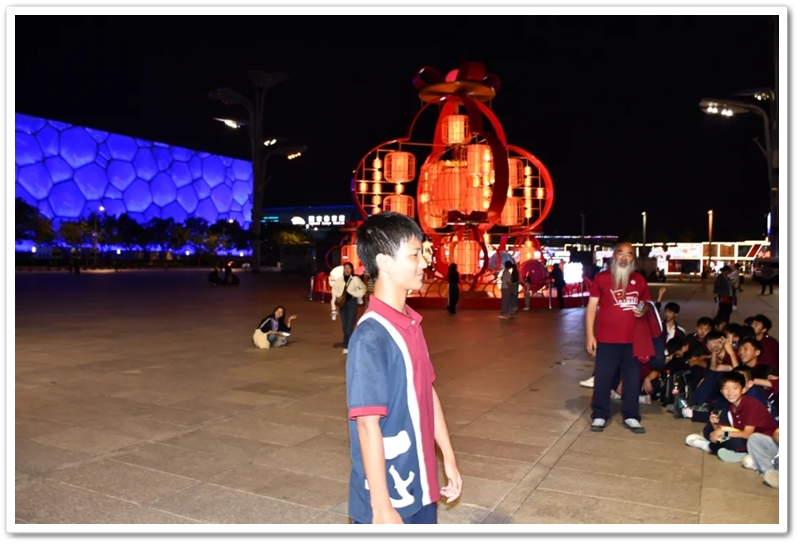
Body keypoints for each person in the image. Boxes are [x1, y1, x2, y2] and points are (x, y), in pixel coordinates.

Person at [346, 211, 461, 525]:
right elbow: (367, 424)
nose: (424, 263)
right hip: (389, 499)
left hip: (421, 485)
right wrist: (381, 507)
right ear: (384, 262)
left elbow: (427, 392)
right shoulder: (371, 336)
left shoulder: (411, 323)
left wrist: (448, 457)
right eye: (414, 254)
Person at [585, 242, 651, 434]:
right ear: (614, 256)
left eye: (628, 254)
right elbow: (591, 307)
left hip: (632, 341)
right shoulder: (602, 278)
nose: (624, 257)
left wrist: (643, 310)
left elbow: (645, 303)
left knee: (631, 380)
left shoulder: (639, 280)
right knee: (603, 379)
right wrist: (590, 335)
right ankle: (600, 414)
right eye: (620, 253)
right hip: (607, 341)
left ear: (633, 259)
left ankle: (631, 416)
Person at [685, 371, 777, 463]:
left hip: (762, 442)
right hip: (742, 435)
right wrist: (714, 425)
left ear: (743, 389)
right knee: (708, 430)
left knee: (733, 442)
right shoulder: (728, 405)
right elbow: (721, 429)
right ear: (721, 391)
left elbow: (747, 434)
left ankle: (710, 447)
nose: (730, 392)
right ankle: (731, 451)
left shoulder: (752, 405)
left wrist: (723, 433)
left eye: (735, 388)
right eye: (726, 388)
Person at [332, 262, 367, 355]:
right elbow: (334, 292)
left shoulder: (355, 279)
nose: (347, 270)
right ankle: (350, 344)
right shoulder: (339, 280)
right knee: (344, 326)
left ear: (352, 270)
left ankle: (347, 345)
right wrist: (333, 308)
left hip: (352, 304)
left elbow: (363, 288)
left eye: (349, 268)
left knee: (349, 326)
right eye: (345, 268)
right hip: (342, 305)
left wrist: (356, 294)